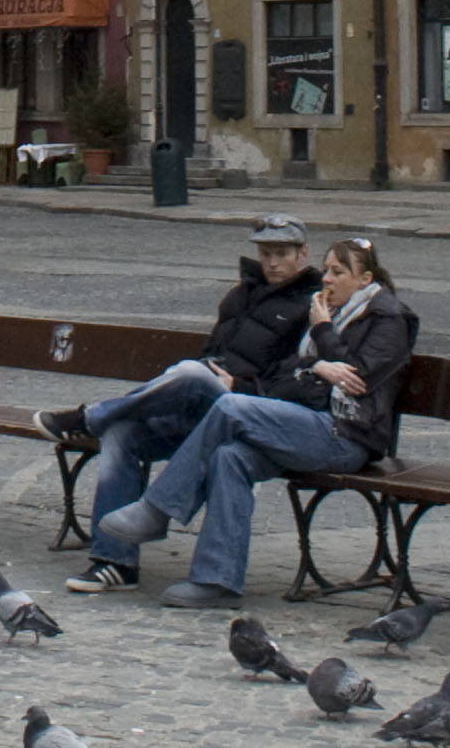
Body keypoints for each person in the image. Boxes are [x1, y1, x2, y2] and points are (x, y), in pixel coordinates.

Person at [85, 236, 416, 606]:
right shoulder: (328, 312)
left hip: (347, 435)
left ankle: (158, 510)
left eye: (338, 272)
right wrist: (316, 364)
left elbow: (358, 379)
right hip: (305, 422)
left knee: (232, 408)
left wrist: (322, 334)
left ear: (366, 279)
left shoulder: (387, 318)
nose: (327, 280)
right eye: (326, 271)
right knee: (230, 455)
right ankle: (217, 581)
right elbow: (281, 371)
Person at [43, 215, 323, 592]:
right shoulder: (240, 296)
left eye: (282, 253)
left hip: (250, 411)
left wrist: (239, 384)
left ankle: (88, 417)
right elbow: (211, 350)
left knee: (191, 373)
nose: (272, 261)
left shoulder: (312, 304)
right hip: (203, 404)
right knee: (122, 432)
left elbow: (298, 376)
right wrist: (211, 369)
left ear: (303, 253)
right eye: (265, 252)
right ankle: (114, 561)